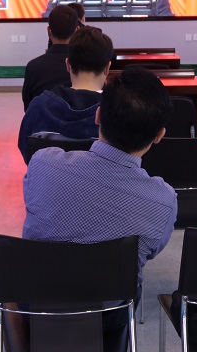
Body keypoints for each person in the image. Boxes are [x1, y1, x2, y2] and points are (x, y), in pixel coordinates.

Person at [23, 67, 177, 306]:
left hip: (35, 309)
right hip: (109, 320)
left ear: (98, 115)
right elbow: (150, 252)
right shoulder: (164, 202)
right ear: (159, 135)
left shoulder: (43, 163)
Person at [18, 27, 113, 163]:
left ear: (68, 65)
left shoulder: (38, 106)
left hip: (48, 176)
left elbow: (27, 150)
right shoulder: (119, 112)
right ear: (107, 68)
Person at [21, 5, 79, 111]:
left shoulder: (33, 66)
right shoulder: (86, 64)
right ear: (77, 31)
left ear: (49, 31)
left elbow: (28, 108)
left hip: (42, 121)